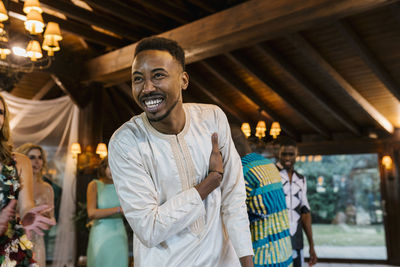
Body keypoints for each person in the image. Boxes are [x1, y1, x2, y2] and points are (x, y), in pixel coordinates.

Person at [108, 37, 253, 267]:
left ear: (183, 80)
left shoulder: (212, 118)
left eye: (158, 75)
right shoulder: (125, 142)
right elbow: (150, 229)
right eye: (138, 79)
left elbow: (233, 199)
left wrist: (247, 262)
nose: (147, 88)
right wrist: (209, 183)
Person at [0, 93, 55, 266]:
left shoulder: (20, 162)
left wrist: (28, 215)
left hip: (8, 251)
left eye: (0, 112)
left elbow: (26, 206)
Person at [231, 126, 293, 267]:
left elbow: (232, 218)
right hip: (284, 252)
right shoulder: (268, 164)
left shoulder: (241, 171)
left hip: (262, 257)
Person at [277, 138, 317, 267]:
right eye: (284, 154)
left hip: (297, 238)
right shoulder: (272, 175)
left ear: (296, 155)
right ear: (279, 154)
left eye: (291, 154)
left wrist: (312, 246)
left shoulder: (301, 179)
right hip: (277, 237)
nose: (287, 157)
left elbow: (305, 212)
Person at [16, 143, 56, 267]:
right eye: (32, 157)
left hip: (37, 241)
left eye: (40, 158)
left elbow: (51, 221)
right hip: (15, 238)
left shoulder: (47, 188)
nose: (37, 161)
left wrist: (47, 219)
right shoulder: (13, 185)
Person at [86, 157, 128, 267]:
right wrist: (118, 209)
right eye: (110, 166)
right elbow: (92, 212)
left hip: (119, 233)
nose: (113, 169)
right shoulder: (94, 185)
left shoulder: (123, 186)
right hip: (100, 233)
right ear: (103, 167)